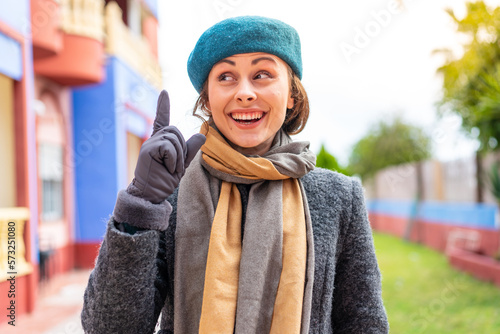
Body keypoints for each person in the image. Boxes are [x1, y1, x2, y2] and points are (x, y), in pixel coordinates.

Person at [81, 16, 389, 334]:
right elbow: (107, 327)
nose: (244, 92)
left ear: (292, 94)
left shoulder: (339, 196)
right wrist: (141, 204)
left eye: (262, 75)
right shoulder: (170, 195)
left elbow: (364, 323)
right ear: (208, 99)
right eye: (226, 77)